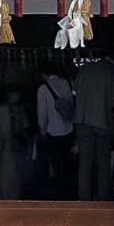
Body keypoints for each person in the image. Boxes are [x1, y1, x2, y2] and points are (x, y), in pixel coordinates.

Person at [73, 56, 114, 201]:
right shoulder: (113, 72)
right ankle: (103, 197)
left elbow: (74, 94)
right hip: (104, 123)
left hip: (83, 121)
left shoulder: (83, 70)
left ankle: (84, 197)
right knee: (104, 163)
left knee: (85, 163)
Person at [36, 65, 75, 198]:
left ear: (43, 74)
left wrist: (42, 133)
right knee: (67, 165)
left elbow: (42, 116)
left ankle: (58, 194)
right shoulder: (65, 83)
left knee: (55, 166)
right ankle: (69, 192)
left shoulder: (43, 89)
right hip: (69, 130)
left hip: (53, 133)